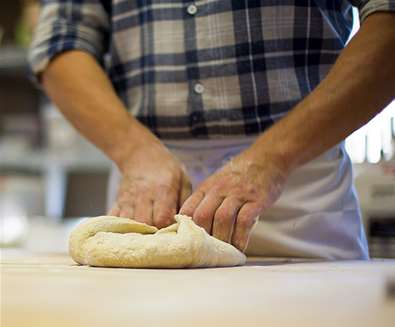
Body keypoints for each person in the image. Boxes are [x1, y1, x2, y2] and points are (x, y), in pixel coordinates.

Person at [29, 1, 395, 259]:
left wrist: (272, 159)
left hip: (298, 184)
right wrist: (135, 152)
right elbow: (61, 43)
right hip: (146, 189)